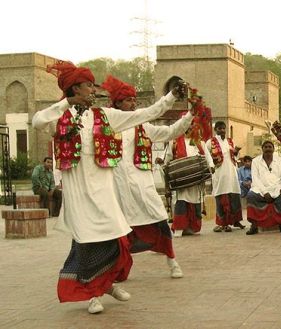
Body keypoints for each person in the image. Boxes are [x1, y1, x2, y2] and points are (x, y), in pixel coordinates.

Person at [32, 60, 183, 314]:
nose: (94, 90)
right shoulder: (60, 117)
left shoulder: (105, 116)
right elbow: (37, 121)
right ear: (75, 89)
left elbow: (142, 115)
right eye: (89, 86)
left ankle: (107, 284)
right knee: (86, 243)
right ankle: (92, 295)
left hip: (103, 189)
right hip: (78, 191)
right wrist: (66, 103)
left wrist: (170, 98)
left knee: (118, 239)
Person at [103, 75, 193, 278]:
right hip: (117, 190)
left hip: (143, 188)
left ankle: (172, 262)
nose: (132, 103)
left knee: (159, 220)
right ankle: (118, 269)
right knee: (117, 233)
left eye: (134, 100)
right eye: (128, 100)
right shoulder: (107, 126)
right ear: (117, 103)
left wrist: (189, 116)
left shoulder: (143, 127)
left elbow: (171, 131)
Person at [165, 117, 205, 237]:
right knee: (182, 201)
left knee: (195, 201)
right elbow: (167, 158)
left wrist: (211, 166)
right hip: (182, 180)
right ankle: (184, 226)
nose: (190, 127)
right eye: (187, 125)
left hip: (196, 180)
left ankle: (192, 226)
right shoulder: (174, 141)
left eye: (192, 125)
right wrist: (163, 164)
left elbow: (206, 156)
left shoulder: (198, 142)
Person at [204, 121, 245, 232]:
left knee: (234, 195)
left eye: (223, 128)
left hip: (231, 172)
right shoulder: (210, 142)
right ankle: (223, 223)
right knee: (222, 196)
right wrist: (211, 166)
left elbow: (235, 157)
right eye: (220, 128)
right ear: (215, 129)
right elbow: (206, 156)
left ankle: (235, 220)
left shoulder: (230, 141)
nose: (222, 130)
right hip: (220, 173)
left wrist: (236, 151)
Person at [245, 140, 281, 235]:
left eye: (270, 147)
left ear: (273, 149)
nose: (268, 149)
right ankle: (254, 226)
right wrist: (265, 192)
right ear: (262, 149)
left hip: (277, 188)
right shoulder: (255, 161)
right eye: (265, 147)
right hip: (260, 189)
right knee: (251, 196)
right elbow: (255, 179)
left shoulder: (280, 160)